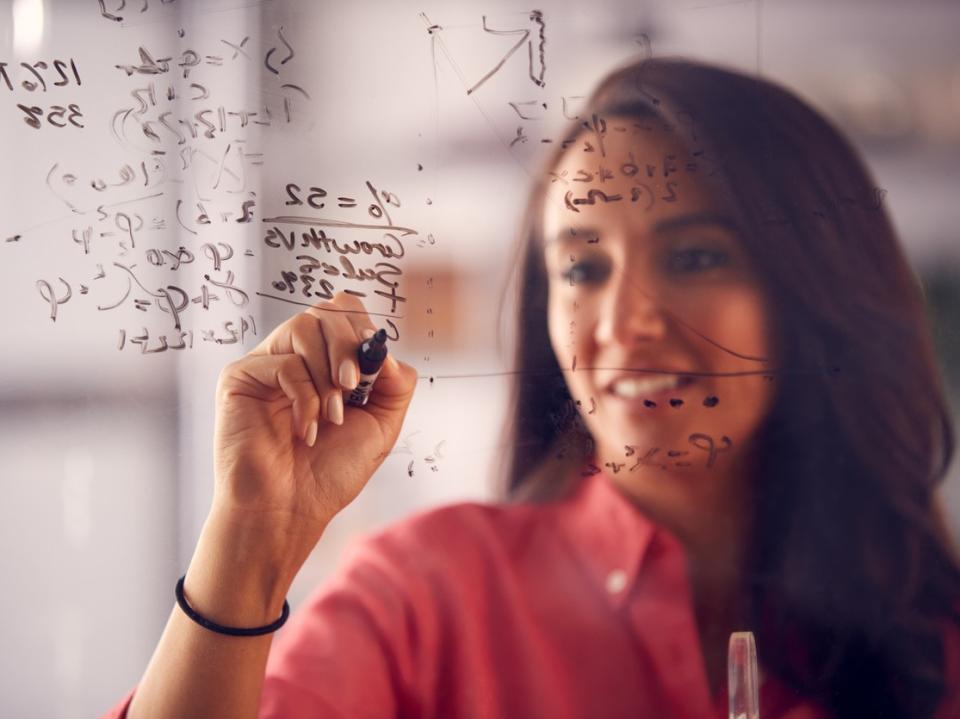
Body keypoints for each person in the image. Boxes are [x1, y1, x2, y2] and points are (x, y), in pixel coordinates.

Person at [105, 58, 960, 719]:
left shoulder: (934, 633)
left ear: (818, 292)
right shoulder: (426, 594)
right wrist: (252, 536)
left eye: (695, 255)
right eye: (583, 266)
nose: (626, 320)